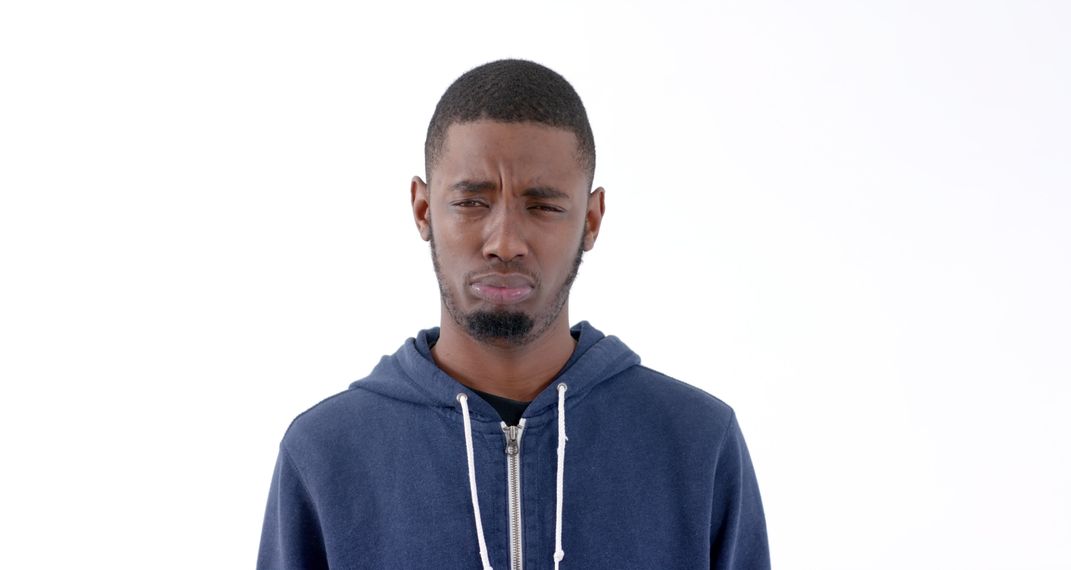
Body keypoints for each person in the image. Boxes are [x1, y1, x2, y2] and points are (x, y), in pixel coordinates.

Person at [257, 59, 770, 570]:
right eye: (472, 202)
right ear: (423, 209)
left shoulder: (697, 443)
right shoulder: (326, 454)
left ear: (590, 221)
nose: (505, 242)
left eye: (543, 206)